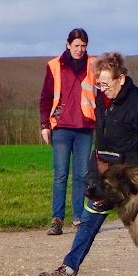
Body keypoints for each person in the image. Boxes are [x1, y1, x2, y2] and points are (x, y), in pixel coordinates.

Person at [39, 52, 138, 276]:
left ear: (121, 78)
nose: (102, 88)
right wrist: (94, 172)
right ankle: (67, 272)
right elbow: (101, 142)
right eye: (99, 83)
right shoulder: (101, 99)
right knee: (88, 222)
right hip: (107, 176)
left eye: (106, 84)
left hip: (135, 180)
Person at [38, 28, 97, 235]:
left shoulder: (94, 64)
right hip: (61, 127)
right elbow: (46, 97)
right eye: (76, 45)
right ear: (68, 45)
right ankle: (57, 219)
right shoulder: (54, 66)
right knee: (60, 175)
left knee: (82, 175)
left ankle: (79, 217)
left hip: (85, 126)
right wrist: (45, 125)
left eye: (83, 46)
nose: (80, 49)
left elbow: (104, 91)